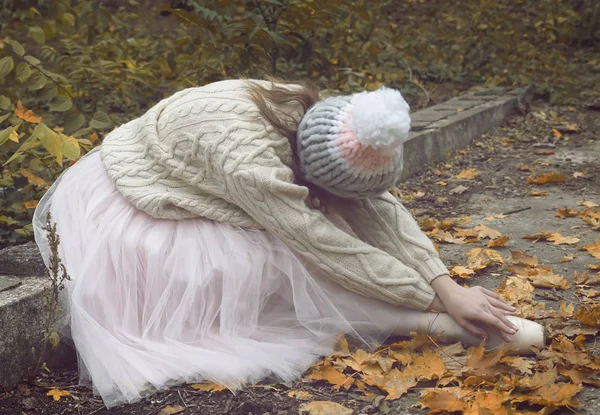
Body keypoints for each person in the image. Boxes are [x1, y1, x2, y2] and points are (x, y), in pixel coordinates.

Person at [32, 79, 544, 408]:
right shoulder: (250, 159)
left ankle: (440, 319)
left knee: (331, 235)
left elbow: (379, 206)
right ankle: (431, 324)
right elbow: (319, 242)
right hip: (141, 202)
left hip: (205, 179)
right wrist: (433, 301)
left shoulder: (318, 119)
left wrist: (444, 282)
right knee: (277, 258)